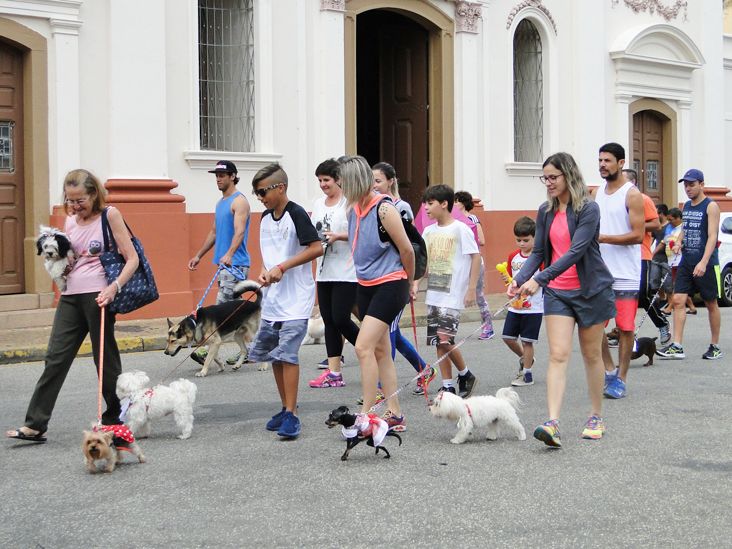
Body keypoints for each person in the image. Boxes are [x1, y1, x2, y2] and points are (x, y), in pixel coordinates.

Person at [6, 169, 139, 443]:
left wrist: (113, 288)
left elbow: (132, 258)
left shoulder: (110, 215)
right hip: (70, 295)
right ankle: (35, 424)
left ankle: (116, 420)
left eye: (80, 200)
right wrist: (60, 270)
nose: (75, 206)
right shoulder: (70, 221)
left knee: (105, 361)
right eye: (70, 200)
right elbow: (74, 257)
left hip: (99, 295)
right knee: (55, 357)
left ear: (94, 194)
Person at [510, 152, 615, 448]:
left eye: (553, 177)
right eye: (545, 178)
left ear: (568, 175)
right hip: (558, 292)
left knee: (592, 355)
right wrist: (519, 280)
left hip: (590, 290)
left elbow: (575, 252)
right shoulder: (545, 211)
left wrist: (538, 280)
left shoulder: (588, 210)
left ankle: (596, 415)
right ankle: (552, 422)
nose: (548, 183)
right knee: (557, 354)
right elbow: (541, 253)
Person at [247, 163, 323, 439]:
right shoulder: (265, 219)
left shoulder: (297, 214)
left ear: (281, 187)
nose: (260, 197)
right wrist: (266, 271)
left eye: (262, 191)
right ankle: (284, 407)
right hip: (273, 298)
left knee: (288, 353)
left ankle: (292, 414)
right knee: (275, 356)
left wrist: (284, 267)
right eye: (256, 193)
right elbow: (270, 255)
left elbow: (316, 248)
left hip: (296, 298)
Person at [340, 155, 415, 431]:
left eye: (344, 182)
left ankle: (367, 413)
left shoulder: (384, 209)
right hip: (366, 284)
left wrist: (410, 282)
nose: (341, 187)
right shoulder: (352, 209)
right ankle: (394, 413)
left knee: (363, 346)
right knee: (382, 350)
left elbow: (406, 249)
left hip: (391, 283)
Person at [371, 161, 432, 397]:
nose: (374, 186)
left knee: (389, 332)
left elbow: (411, 246)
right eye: (372, 181)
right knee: (390, 330)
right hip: (380, 277)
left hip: (397, 277)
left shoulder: (400, 207)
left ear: (391, 181)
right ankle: (423, 369)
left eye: (378, 181)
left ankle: (381, 388)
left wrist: (412, 281)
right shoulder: (374, 206)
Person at [419, 184, 480, 398]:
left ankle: (465, 373)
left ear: (444, 204)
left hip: (453, 293)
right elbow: (424, 263)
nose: (426, 207)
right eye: (425, 203)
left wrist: (471, 288)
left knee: (445, 339)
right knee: (439, 341)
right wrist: (415, 282)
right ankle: (447, 384)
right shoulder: (428, 231)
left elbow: (475, 257)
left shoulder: (460, 229)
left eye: (430, 203)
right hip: (435, 292)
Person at [593, 143, 644, 400]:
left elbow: (638, 235)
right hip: (600, 272)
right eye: (600, 160)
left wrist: (604, 238)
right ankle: (609, 369)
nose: (602, 164)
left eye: (608, 160)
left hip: (626, 272)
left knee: (625, 327)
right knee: (593, 324)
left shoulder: (631, 194)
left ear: (621, 163)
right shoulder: (597, 191)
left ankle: (621, 379)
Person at [188, 160, 252, 366]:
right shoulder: (220, 203)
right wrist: (199, 255)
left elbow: (240, 231)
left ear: (233, 176)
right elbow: (214, 232)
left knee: (221, 309)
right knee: (235, 312)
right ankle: (252, 349)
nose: (218, 178)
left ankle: (207, 351)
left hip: (235, 264)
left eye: (222, 175)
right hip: (224, 265)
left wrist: (230, 254)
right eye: (216, 175)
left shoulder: (239, 201)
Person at [656, 169, 723, 360]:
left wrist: (703, 262)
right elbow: (685, 228)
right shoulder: (686, 206)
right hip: (687, 261)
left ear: (702, 184)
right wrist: (678, 242)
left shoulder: (711, 206)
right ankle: (677, 345)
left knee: (711, 303)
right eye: (685, 185)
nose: (688, 188)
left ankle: (715, 345)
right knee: (678, 300)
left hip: (707, 263)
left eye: (692, 184)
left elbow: (712, 236)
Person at [307, 159, 360, 389]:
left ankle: (370, 349)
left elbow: (359, 233)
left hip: (346, 271)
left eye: (326, 180)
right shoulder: (318, 204)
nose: (322, 184)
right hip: (324, 270)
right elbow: (313, 234)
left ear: (338, 179)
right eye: (319, 180)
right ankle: (334, 373)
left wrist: (338, 236)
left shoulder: (350, 203)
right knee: (329, 322)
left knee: (340, 318)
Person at [623, 168, 668, 345]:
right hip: (622, 255)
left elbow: (656, 224)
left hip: (641, 254)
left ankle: (662, 323)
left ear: (633, 183)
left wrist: (634, 226)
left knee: (642, 295)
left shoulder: (643, 199)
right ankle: (625, 332)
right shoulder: (617, 200)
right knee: (622, 295)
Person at [501, 216, 543, 387]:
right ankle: (526, 358)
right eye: (518, 240)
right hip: (515, 307)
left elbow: (543, 279)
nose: (522, 243)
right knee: (508, 337)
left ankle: (527, 374)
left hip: (534, 307)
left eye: (526, 240)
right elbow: (512, 279)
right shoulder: (513, 256)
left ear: (535, 238)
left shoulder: (539, 257)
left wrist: (530, 287)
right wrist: (510, 289)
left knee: (527, 341)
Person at [454, 191, 495, 340]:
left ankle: (488, 327)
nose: (454, 204)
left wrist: (467, 239)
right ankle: (450, 327)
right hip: (459, 263)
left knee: (479, 296)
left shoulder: (472, 219)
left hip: (474, 263)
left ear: (463, 203)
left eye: (456, 201)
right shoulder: (453, 221)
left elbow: (482, 240)